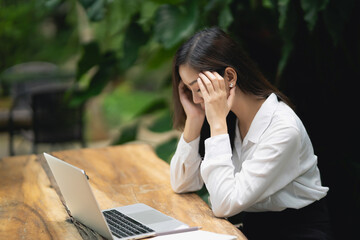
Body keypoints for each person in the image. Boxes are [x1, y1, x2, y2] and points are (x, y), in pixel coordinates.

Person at [170, 27, 333, 239]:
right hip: (252, 228)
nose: (196, 100)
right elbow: (182, 183)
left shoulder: (283, 128)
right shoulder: (227, 117)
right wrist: (194, 119)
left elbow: (224, 204)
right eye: (189, 90)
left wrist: (217, 124)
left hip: (299, 231)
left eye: (199, 88)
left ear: (229, 76)